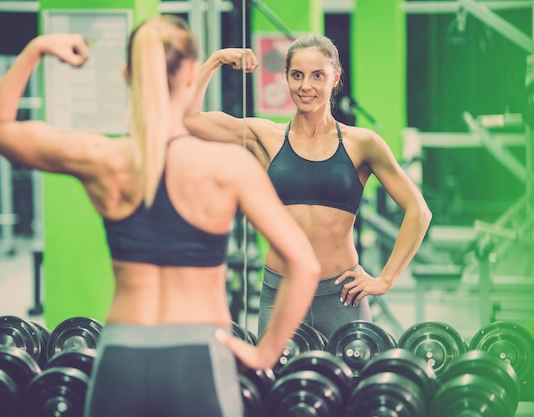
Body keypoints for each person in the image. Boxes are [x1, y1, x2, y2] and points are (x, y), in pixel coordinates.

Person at [0, 15, 320, 417]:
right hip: (198, 353)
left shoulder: (102, 158)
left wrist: (36, 49)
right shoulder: (227, 166)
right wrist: (265, 353)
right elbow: (304, 264)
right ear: (191, 74)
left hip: (122, 353)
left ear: (126, 74)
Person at [185, 34, 432, 340]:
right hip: (282, 293)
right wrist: (215, 60)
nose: (306, 86)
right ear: (286, 77)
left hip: (342, 296)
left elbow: (418, 211)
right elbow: (189, 119)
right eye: (297, 75)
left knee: (353, 385)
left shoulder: (362, 144)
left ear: (335, 77)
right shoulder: (266, 136)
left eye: (318, 76)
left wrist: (385, 279)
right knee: (277, 385)